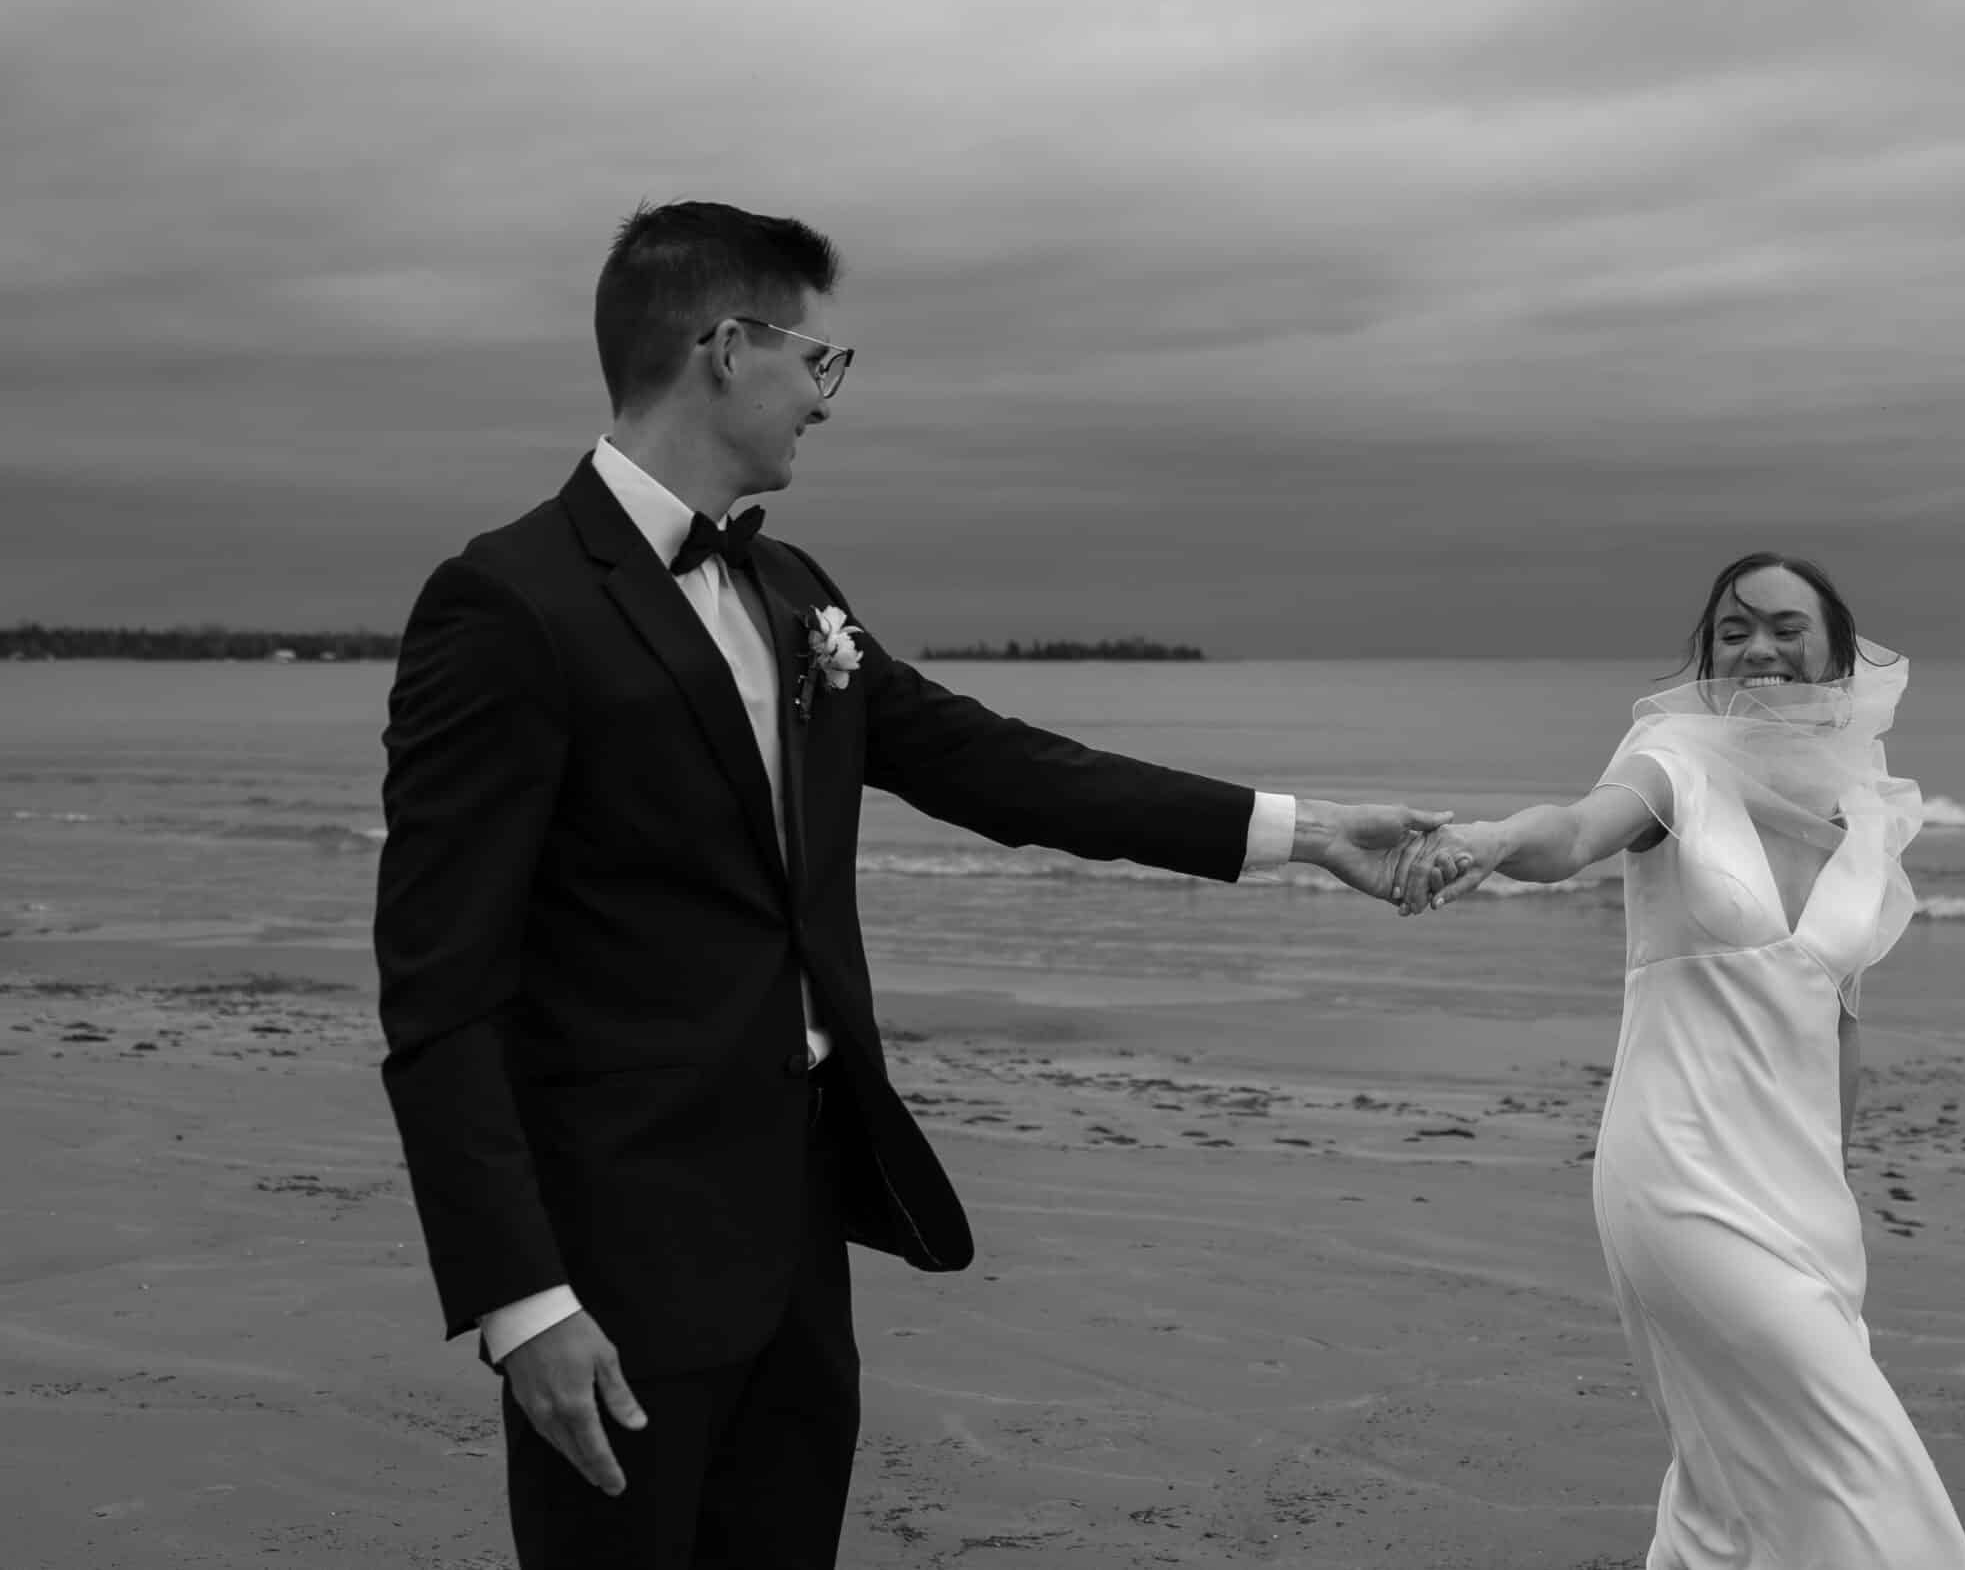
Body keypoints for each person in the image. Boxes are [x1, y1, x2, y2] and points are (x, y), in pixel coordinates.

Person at [373, 200, 1448, 1569]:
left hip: (797, 1246)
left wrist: (1298, 830)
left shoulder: (790, 587)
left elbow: (998, 767)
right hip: (611, 1262)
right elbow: (440, 987)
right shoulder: (508, 602)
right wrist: (522, 1298)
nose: (828, 398)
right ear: (726, 346)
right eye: (821, 361)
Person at [1403, 552, 1965, 1569]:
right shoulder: (1674, 760)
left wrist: (1833, 1189)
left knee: (1726, 1490)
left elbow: (1836, 1018)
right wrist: (1491, 842)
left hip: (1801, 1196)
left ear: (1837, 653)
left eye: (1785, 626)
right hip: (1677, 1167)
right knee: (1860, 1468)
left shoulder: (1871, 817)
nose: (1758, 646)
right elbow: (1574, 832)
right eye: (1732, 629)